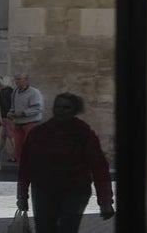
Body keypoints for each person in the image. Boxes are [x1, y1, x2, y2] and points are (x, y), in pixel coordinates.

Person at [17, 93, 114, 233]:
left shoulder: (83, 134)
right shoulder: (39, 134)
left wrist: (105, 200)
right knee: (45, 228)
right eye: (58, 107)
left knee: (68, 228)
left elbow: (99, 167)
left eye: (66, 107)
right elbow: (26, 166)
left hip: (75, 190)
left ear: (75, 110)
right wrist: (22, 196)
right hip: (44, 190)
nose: (61, 110)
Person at [9, 72, 44, 162]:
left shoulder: (34, 92)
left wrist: (23, 113)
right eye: (16, 79)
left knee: (30, 145)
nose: (17, 82)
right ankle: (22, 165)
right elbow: (13, 106)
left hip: (31, 123)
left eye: (19, 79)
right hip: (18, 123)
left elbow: (37, 108)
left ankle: (32, 165)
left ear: (26, 80)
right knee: (18, 146)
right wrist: (11, 113)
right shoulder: (15, 92)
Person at [0, 75, 17, 163]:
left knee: (11, 137)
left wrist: (2, 117)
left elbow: (4, 106)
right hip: (10, 117)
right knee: (3, 136)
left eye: (0, 83)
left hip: (7, 117)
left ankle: (16, 155)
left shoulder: (3, 92)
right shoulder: (12, 91)